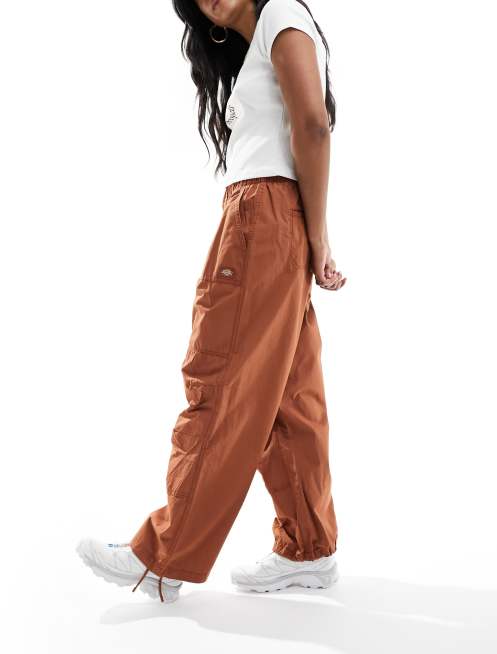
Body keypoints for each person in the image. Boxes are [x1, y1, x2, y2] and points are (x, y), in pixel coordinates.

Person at [77, 0, 347, 603]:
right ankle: (309, 547)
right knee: (290, 395)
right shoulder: (262, 42)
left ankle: (164, 556)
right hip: (275, 220)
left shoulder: (281, 15)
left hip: (262, 217)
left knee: (219, 380)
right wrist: (308, 237)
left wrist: (318, 237)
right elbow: (305, 129)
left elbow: (313, 126)